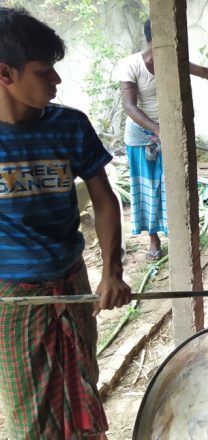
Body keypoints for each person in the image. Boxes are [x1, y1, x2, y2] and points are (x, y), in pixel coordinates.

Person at [0, 8, 131, 438]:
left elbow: (105, 201)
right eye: (44, 72)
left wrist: (112, 272)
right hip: (14, 298)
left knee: (82, 386)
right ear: (5, 73)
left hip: (72, 282)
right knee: (31, 410)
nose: (56, 81)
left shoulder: (70, 126)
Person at [117, 19, 208, 260]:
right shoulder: (131, 65)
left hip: (170, 132)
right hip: (139, 137)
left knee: (174, 185)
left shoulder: (174, 61)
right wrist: (157, 129)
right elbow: (129, 106)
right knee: (147, 189)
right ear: (157, 37)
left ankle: (179, 235)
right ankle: (153, 240)